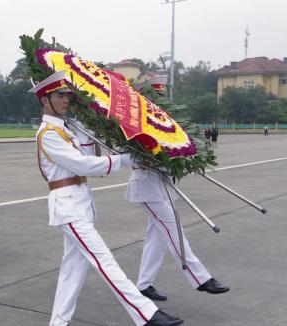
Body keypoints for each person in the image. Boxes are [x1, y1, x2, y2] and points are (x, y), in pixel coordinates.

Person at [30, 71, 183, 326]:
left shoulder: (67, 128)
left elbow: (89, 154)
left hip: (79, 203)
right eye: (60, 95)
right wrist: (123, 160)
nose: (66, 99)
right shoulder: (49, 134)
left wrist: (94, 126)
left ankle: (58, 323)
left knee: (72, 271)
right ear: (45, 100)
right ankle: (147, 314)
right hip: (68, 206)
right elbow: (83, 165)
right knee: (104, 261)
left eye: (68, 94)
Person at [125, 165, 230, 302]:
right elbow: (130, 157)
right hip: (147, 189)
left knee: (157, 238)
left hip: (164, 187)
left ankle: (144, 285)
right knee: (174, 230)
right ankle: (200, 278)